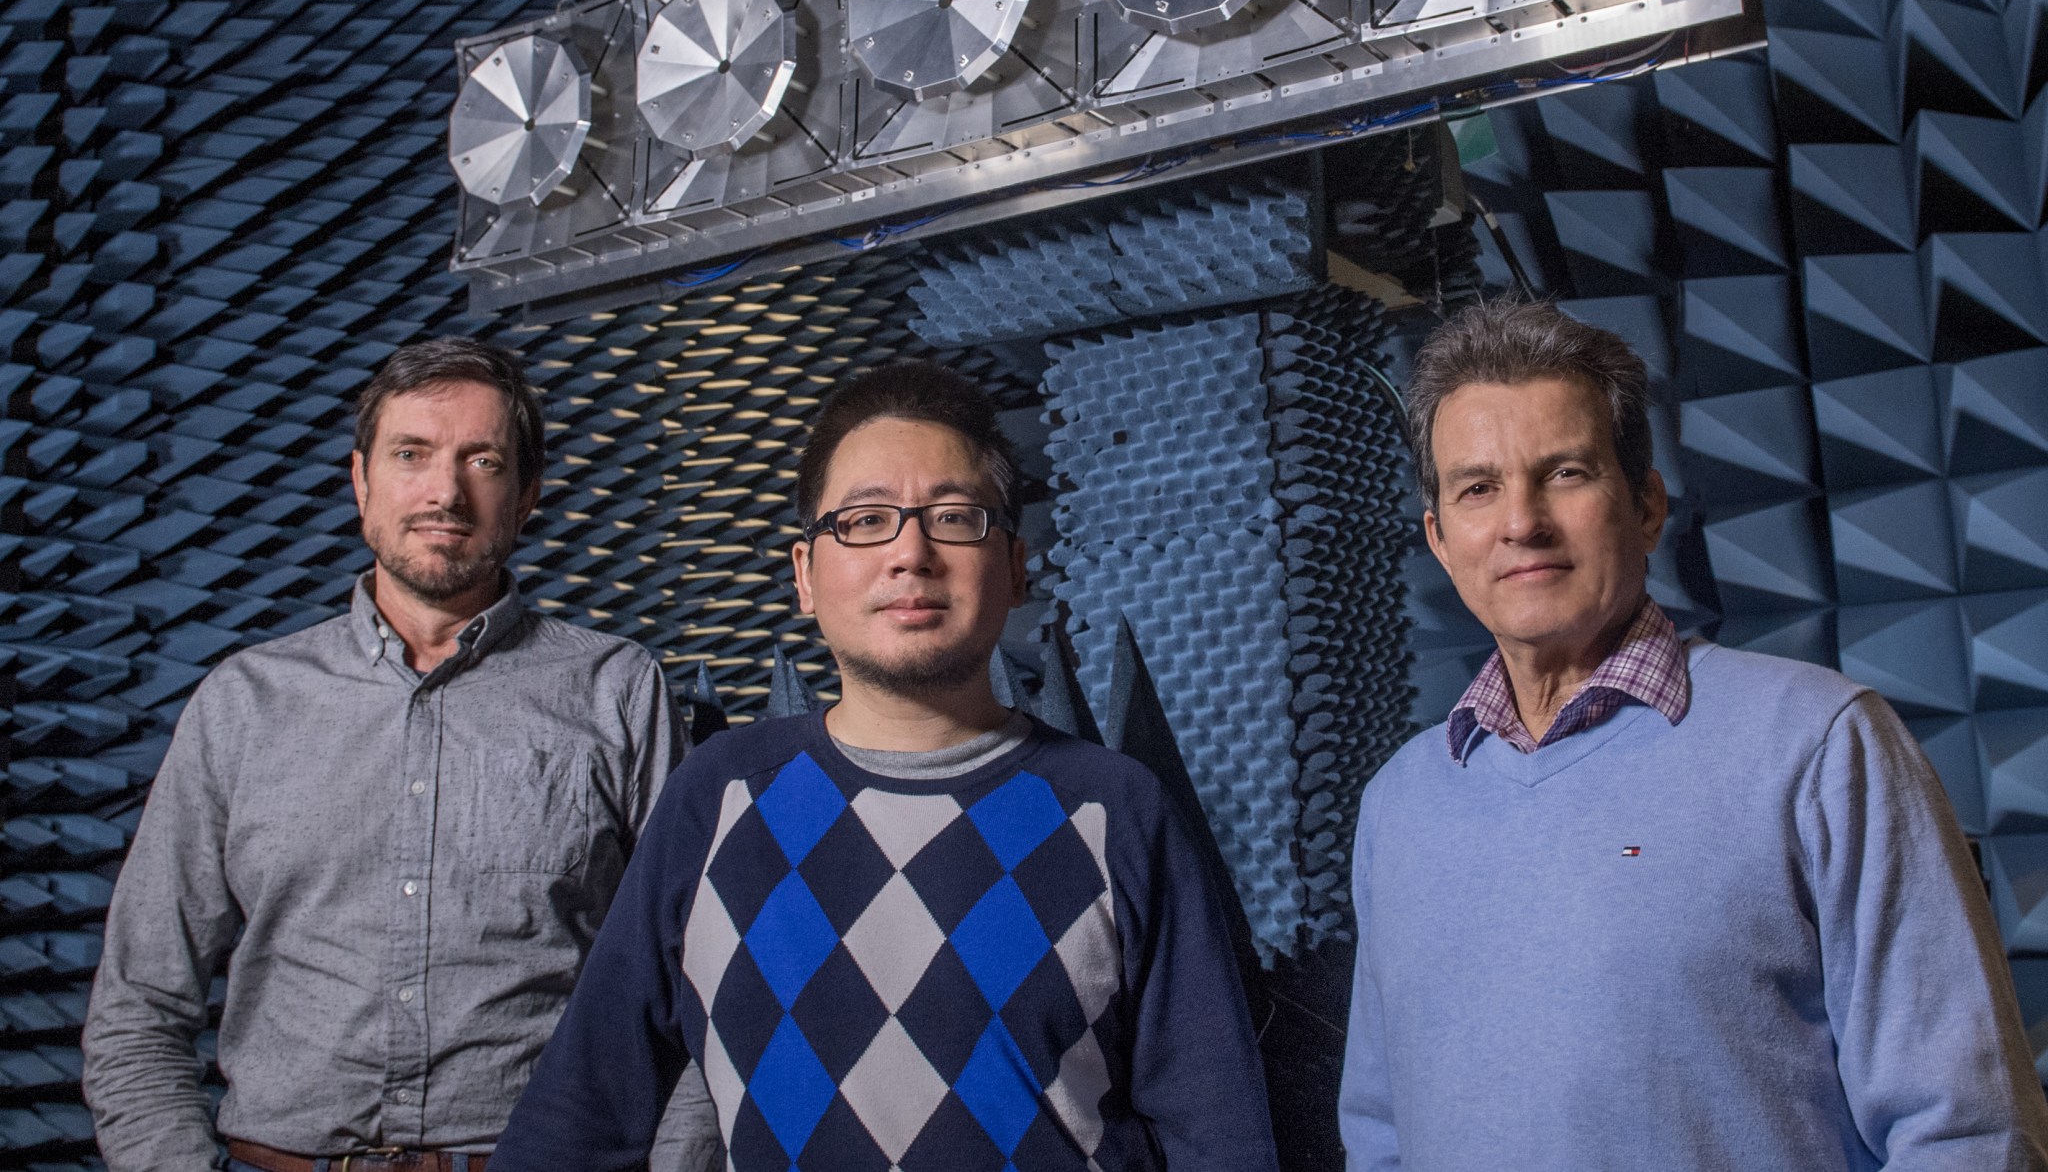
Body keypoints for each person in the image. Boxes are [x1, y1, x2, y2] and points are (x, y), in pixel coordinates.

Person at [493, 358, 1279, 1171]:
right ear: (806, 575)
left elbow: (1218, 1137)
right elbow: (573, 1122)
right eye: (865, 521)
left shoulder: (1114, 810)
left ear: (1014, 568)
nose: (911, 552)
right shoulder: (718, 798)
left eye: (953, 517)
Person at [1340, 298, 2048, 1171]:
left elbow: (1968, 1135)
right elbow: (1381, 1138)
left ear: (1644, 506)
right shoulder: (1401, 805)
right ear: (1441, 540)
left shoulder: (1820, 748)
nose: (1521, 521)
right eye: (1478, 488)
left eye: (1564, 473)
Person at [82, 337, 717, 1172]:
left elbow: (699, 991)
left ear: (527, 494)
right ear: (362, 483)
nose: (444, 492)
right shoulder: (244, 703)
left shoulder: (618, 691)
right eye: (411, 454)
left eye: (482, 460)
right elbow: (138, 1008)